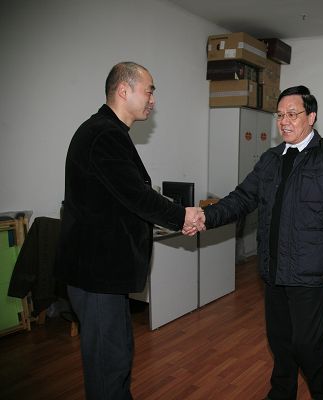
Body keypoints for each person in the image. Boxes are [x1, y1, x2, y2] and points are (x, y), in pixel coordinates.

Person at [55, 61, 203, 400]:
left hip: (105, 274)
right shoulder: (104, 135)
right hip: (95, 274)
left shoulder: (108, 132)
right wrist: (182, 215)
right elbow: (137, 195)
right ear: (124, 90)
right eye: (149, 91)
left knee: (118, 354)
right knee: (108, 364)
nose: (153, 99)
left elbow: (125, 197)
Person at [201, 85, 323, 400]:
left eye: (292, 114)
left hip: (311, 273)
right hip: (274, 270)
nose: (284, 121)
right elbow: (242, 197)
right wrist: (206, 216)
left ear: (311, 117)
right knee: (280, 342)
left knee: (307, 344)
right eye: (280, 115)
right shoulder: (271, 159)